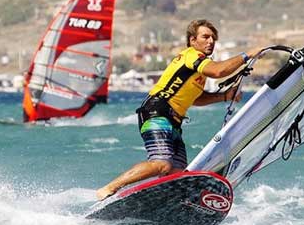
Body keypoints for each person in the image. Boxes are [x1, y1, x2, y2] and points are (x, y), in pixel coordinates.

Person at [96, 19, 263, 200]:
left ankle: (157, 205)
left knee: (176, 176)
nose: (211, 41)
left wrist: (225, 96)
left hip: (174, 123)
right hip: (156, 113)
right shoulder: (191, 56)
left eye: (213, 38)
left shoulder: (199, 70)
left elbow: (196, 99)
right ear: (192, 40)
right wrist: (246, 55)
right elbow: (218, 72)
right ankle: (110, 188)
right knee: (162, 163)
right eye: (205, 37)